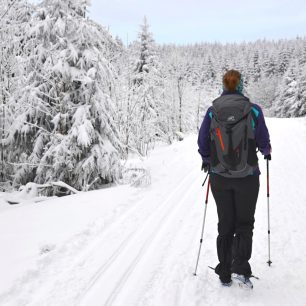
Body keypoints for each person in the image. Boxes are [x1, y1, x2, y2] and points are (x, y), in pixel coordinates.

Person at [197, 69, 271, 287]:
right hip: (248, 177)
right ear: (241, 86)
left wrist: (207, 159)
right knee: (245, 223)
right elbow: (263, 139)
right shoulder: (253, 110)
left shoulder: (212, 112)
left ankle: (225, 271)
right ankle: (241, 267)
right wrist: (266, 151)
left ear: (224, 86)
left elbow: (202, 142)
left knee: (225, 223)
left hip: (220, 177)